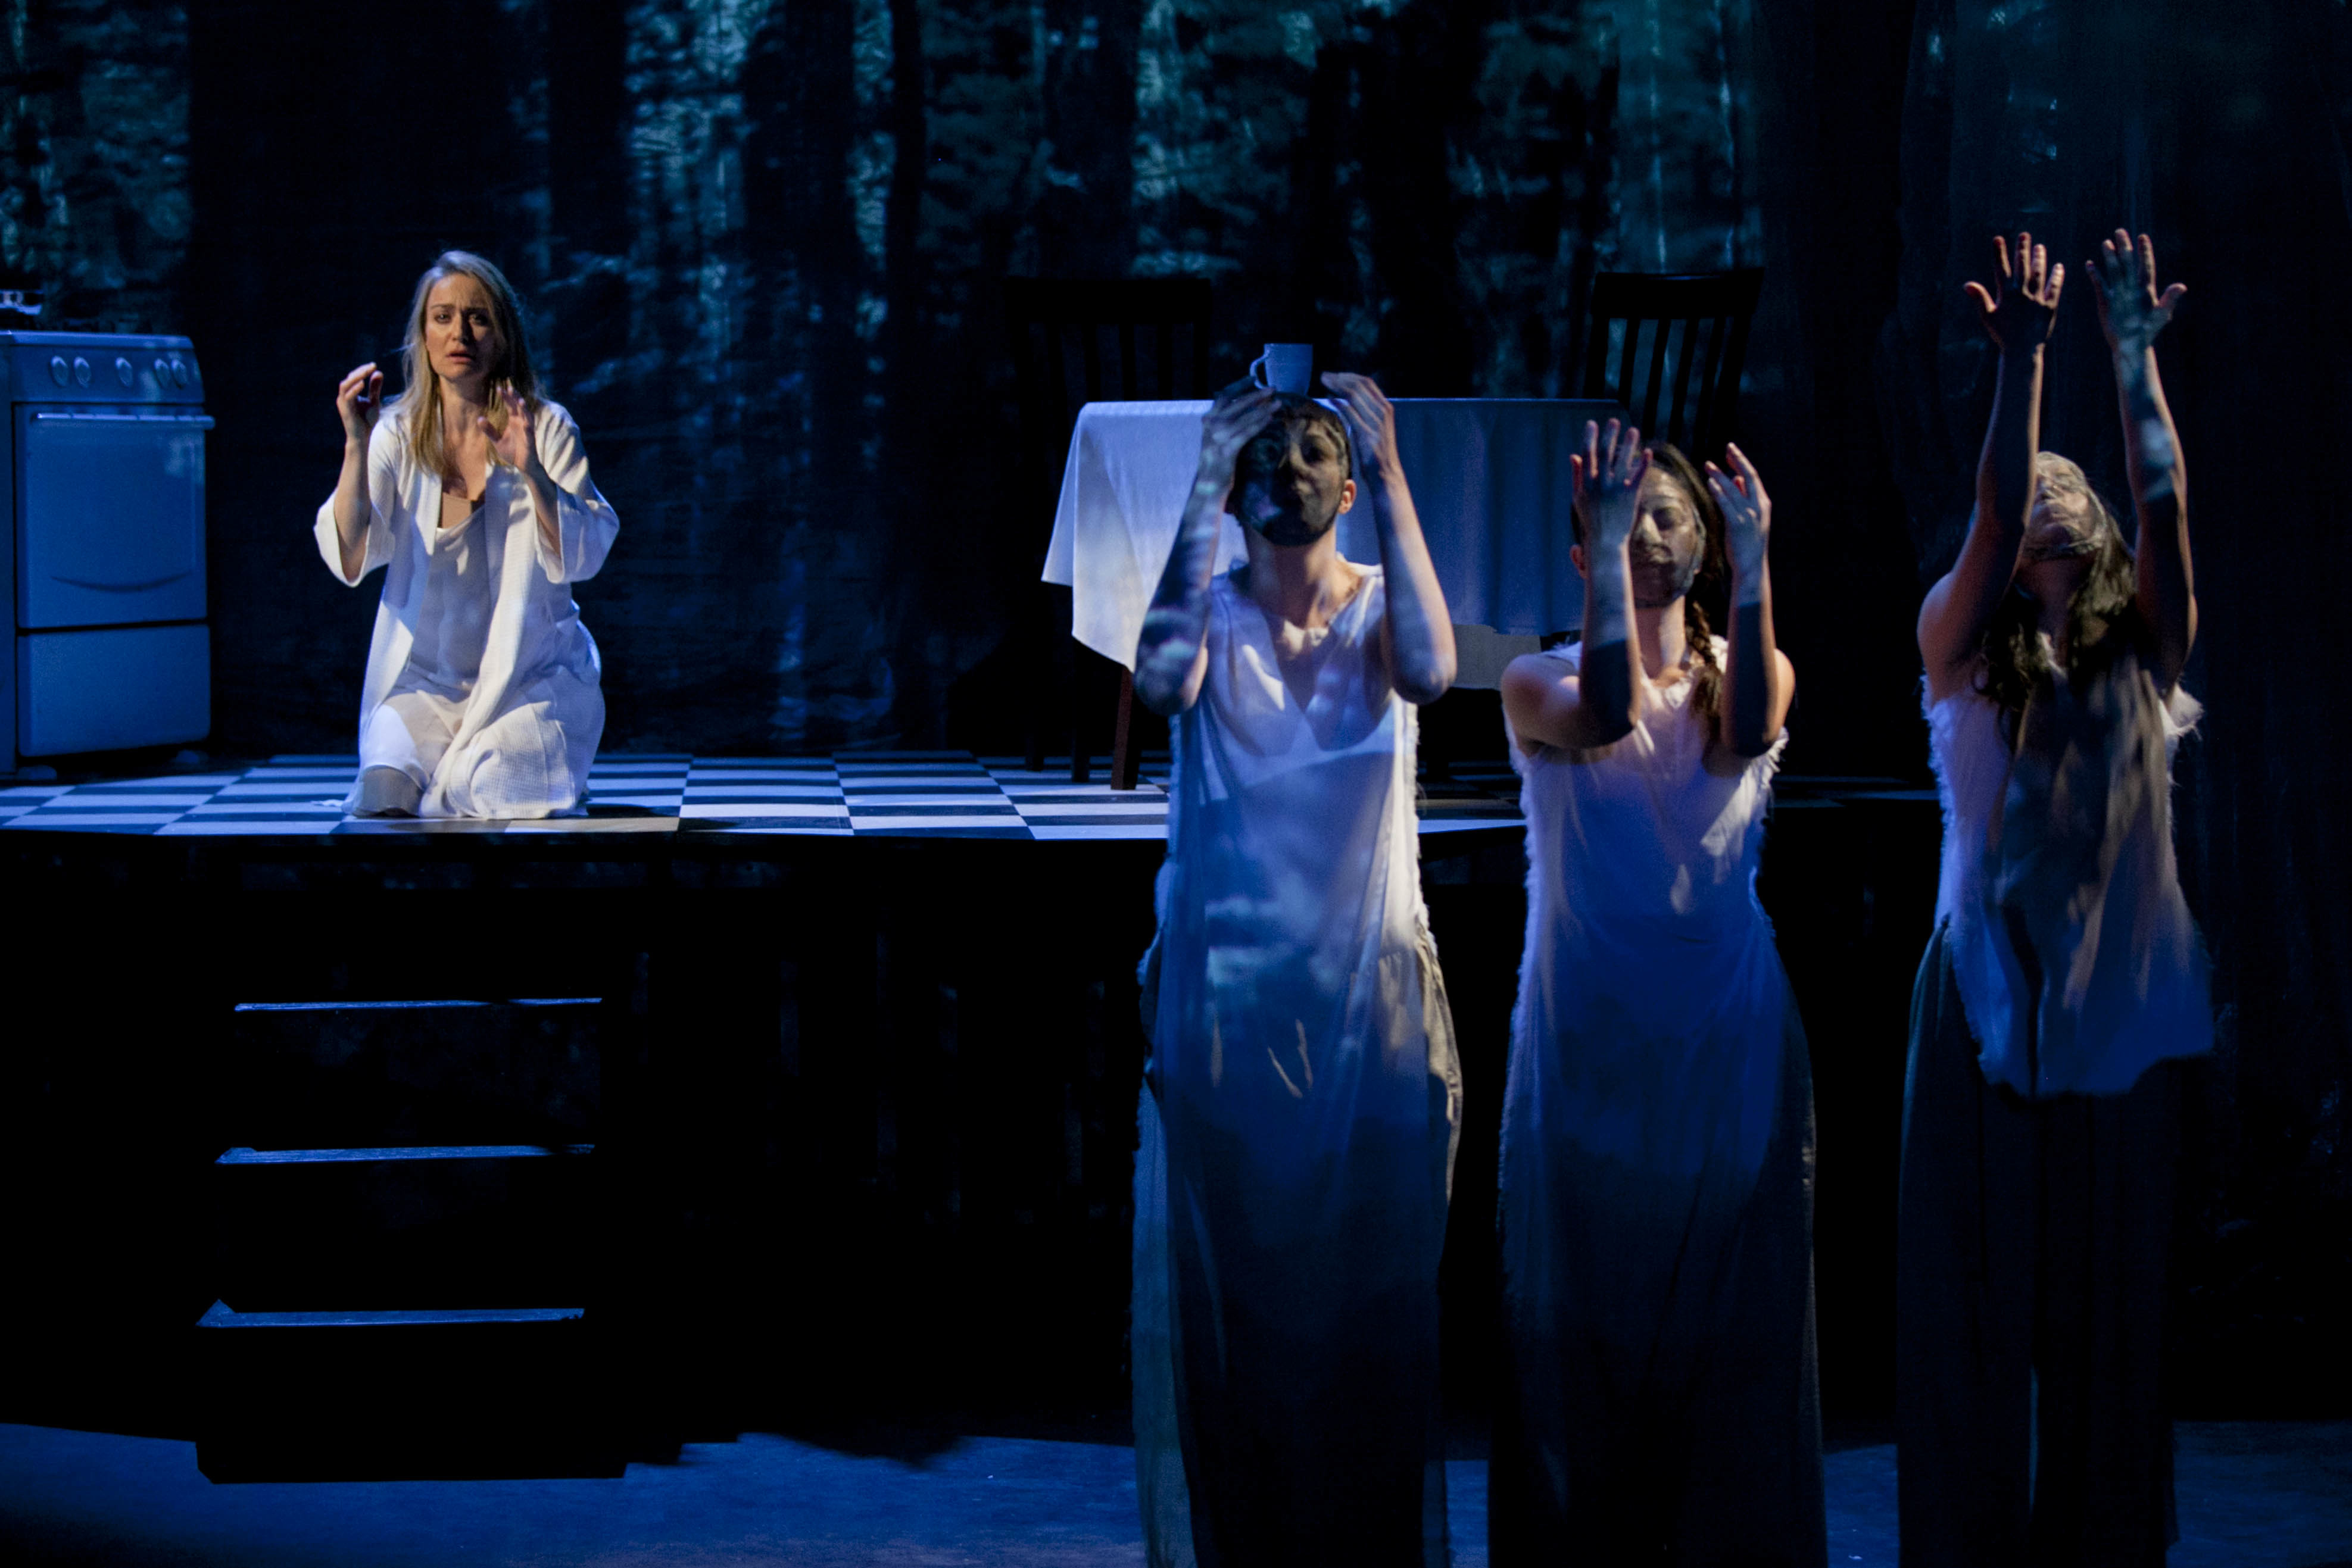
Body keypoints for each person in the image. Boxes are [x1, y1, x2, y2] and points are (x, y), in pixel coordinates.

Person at [1899, 230, 2209, 1566]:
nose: (2050, 494)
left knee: (2111, 1313)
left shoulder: (2146, 650)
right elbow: (1987, 512)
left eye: (2066, 482)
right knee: (1974, 1307)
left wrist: (2132, 361)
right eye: (2034, 481)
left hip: (2115, 1002)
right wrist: (2023, 363)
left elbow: (2166, 505)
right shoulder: (1958, 648)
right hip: (1983, 995)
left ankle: (2104, 1543)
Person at [1127, 373, 1462, 1567]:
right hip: (1234, 1002)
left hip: (1364, 1001)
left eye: (1315, 453)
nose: (1290, 470)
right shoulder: (1211, 611)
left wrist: (1397, 473)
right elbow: (1159, 681)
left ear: (1349, 487)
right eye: (1266, 456)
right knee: (1244, 1311)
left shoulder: (1377, 610)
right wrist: (1200, 488)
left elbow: (1430, 670)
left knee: (1368, 1310)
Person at [1490, 419, 1824, 1562]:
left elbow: (1749, 728)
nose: (1646, 533)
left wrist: (1759, 563)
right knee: (1586, 1328)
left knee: (1726, 1333)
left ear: (1709, 543)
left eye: (1667, 514)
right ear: (1582, 551)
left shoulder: (1753, 669)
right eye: (1622, 520)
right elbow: (1608, 714)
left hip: (1723, 1034)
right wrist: (1608, 557)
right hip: (1590, 1036)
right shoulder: (1537, 678)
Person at [317, 251, 617, 819]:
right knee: (382, 797)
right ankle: (439, 770)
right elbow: (351, 556)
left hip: (529, 682)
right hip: (426, 686)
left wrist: (533, 473)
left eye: (478, 318)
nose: (461, 333)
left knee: (482, 790)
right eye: (444, 317)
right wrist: (356, 444)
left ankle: (515, 768)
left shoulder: (546, 427)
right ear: (424, 337)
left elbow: (586, 555)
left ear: (502, 335)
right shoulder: (395, 434)